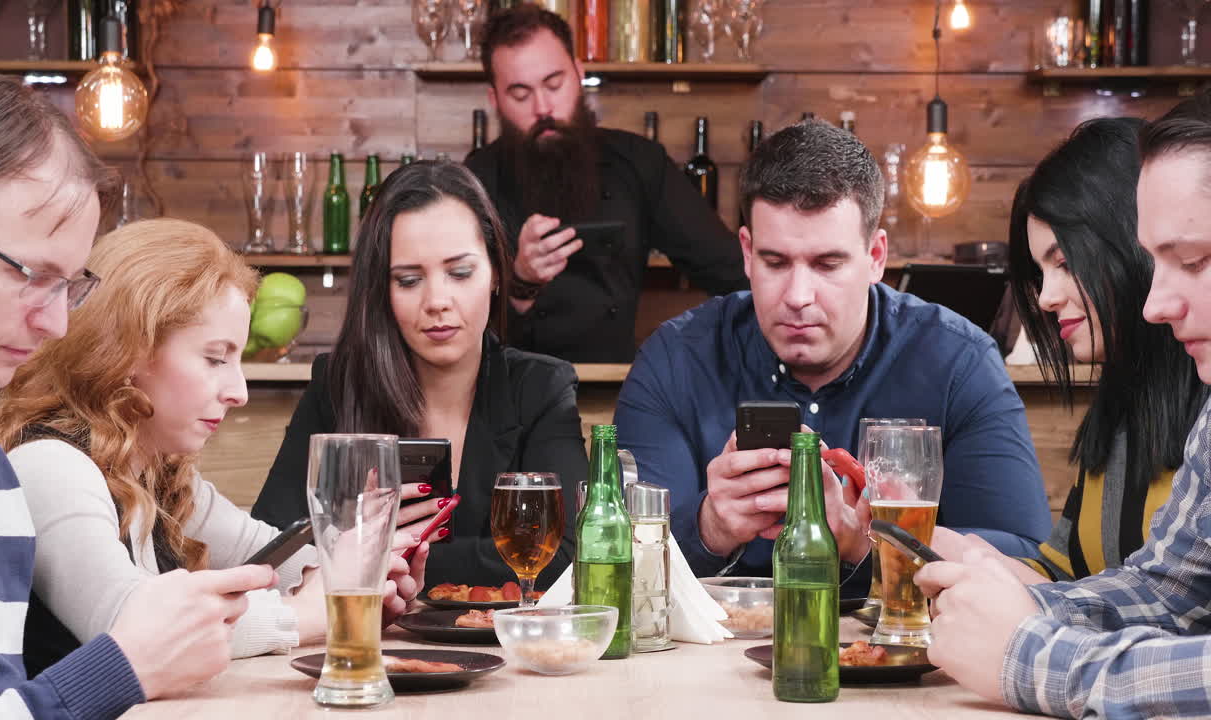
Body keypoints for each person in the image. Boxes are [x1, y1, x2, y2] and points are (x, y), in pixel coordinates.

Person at [0, 74, 276, 718]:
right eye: (32, 275)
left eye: (68, 287)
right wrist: (121, 669)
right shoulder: (38, 466)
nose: (58, 324)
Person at [0, 219, 428, 677]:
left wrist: (371, 577)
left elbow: (283, 562)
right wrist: (314, 614)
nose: (239, 391)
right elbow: (134, 629)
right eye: (215, 358)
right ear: (126, 350)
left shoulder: (157, 471)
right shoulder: (50, 465)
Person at [614, 120, 1050, 585]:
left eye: (827, 264)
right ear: (746, 252)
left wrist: (866, 542)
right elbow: (617, 559)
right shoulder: (676, 359)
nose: (799, 295)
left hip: (906, 655)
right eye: (775, 262)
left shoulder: (957, 361)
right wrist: (710, 529)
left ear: (876, 256)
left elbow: (1023, 560)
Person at [916, 93, 1211, 719]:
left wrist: (1026, 649)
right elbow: (1165, 592)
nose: (1158, 303)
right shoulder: (1147, 418)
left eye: (1191, 260)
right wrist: (991, 589)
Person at [252, 161, 586, 589]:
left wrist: (376, 557)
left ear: (497, 273)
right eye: (409, 280)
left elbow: (568, 553)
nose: (437, 301)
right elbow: (275, 543)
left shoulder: (540, 389)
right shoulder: (338, 384)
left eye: (460, 273)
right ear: (383, 291)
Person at [932, 118, 1208, 581]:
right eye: (1040, 273)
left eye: (1063, 263)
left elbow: (1153, 608)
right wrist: (964, 558)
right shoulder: (1120, 415)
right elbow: (1067, 579)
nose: (1045, 298)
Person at [466, 5, 747, 363]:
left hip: (613, 392)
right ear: (494, 99)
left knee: (609, 425)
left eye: (554, 84)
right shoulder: (476, 180)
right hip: (514, 399)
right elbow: (458, 319)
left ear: (579, 74)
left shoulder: (639, 162)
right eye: (520, 94)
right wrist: (521, 280)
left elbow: (728, 269)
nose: (543, 107)